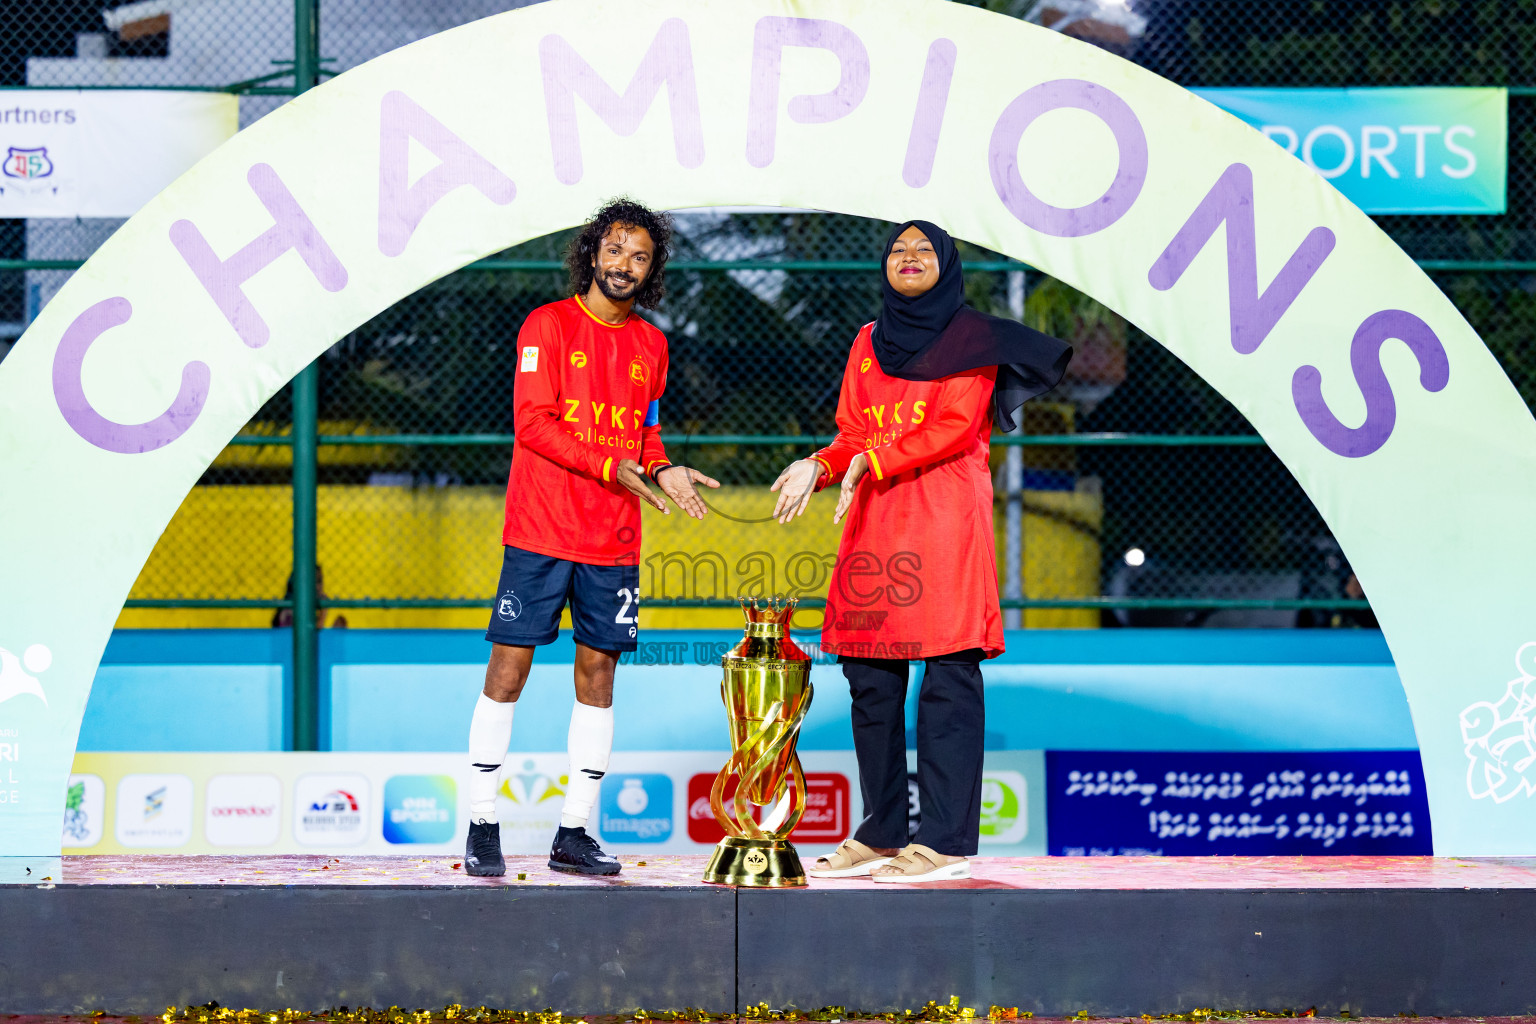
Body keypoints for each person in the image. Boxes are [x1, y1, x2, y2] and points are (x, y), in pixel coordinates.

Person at [770, 220, 1070, 882]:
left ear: (947, 265)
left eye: (924, 250)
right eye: (899, 250)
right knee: (870, 683)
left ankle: (946, 842)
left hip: (943, 527)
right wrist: (817, 466)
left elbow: (954, 427)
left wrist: (867, 461)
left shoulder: (972, 340)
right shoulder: (867, 342)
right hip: (876, 527)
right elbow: (852, 432)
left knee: (947, 683)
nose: (909, 258)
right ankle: (881, 833)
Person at [464, 199, 719, 877]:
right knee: (509, 669)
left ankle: (573, 832)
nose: (624, 266)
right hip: (541, 529)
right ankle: (482, 821)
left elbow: (647, 434)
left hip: (612, 539)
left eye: (640, 256)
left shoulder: (652, 345)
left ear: (651, 268)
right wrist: (615, 465)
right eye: (615, 250)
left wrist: (664, 470)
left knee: (599, 674)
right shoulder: (545, 326)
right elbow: (534, 424)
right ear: (592, 253)